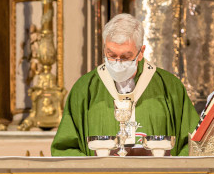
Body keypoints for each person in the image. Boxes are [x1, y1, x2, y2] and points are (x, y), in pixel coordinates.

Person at [51, 14, 199, 156]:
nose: (117, 62)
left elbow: (194, 143)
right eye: (111, 54)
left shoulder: (170, 87)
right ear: (104, 49)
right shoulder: (84, 89)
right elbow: (64, 148)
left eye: (125, 57)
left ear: (141, 52)